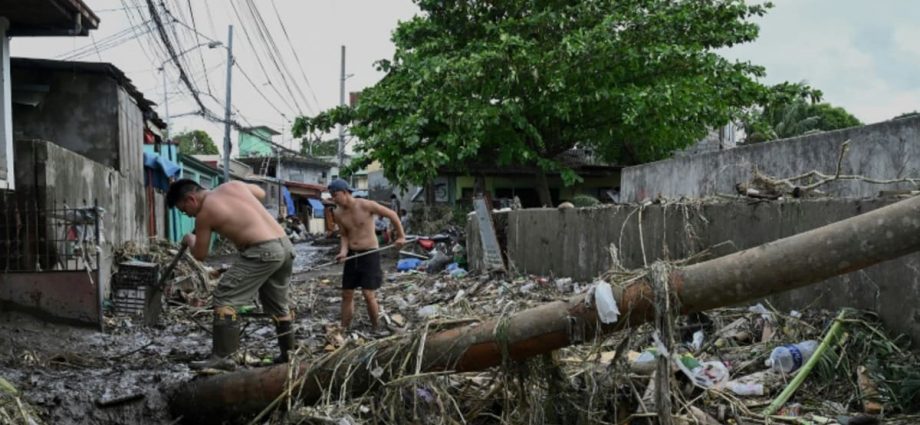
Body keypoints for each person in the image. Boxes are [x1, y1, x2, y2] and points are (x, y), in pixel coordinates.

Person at [166, 179, 296, 370]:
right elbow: (260, 192)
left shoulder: (204, 214)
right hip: (284, 246)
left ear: (191, 199)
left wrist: (190, 238)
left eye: (183, 209)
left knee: (224, 297)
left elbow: (200, 255)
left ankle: (223, 357)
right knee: (278, 306)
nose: (186, 214)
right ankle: (289, 356)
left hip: (262, 250)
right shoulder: (232, 186)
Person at [328, 179, 406, 331]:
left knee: (367, 293)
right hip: (352, 254)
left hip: (369, 253)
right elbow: (344, 234)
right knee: (347, 293)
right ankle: (344, 328)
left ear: (344, 192)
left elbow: (392, 215)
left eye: (335, 195)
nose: (333, 198)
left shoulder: (365, 205)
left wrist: (401, 236)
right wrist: (343, 252)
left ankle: (376, 326)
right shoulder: (337, 213)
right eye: (332, 195)